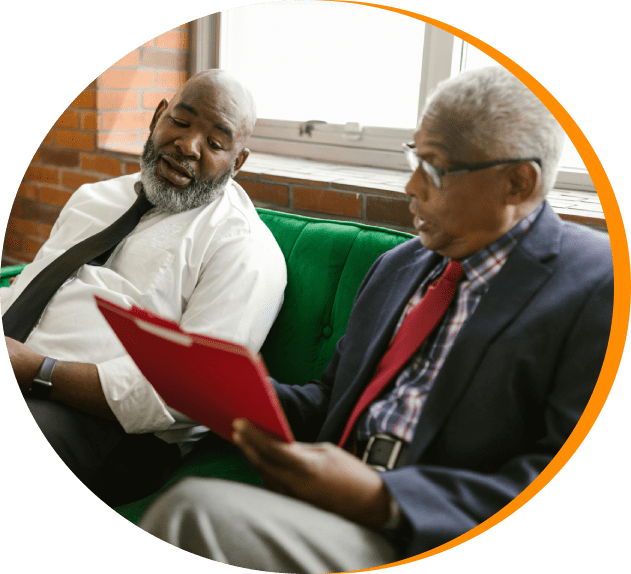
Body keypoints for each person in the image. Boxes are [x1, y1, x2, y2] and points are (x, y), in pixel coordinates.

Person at [138, 66, 613, 573]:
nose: (409, 187)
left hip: (429, 534)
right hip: (334, 510)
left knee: (192, 512)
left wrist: (384, 497)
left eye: (433, 169)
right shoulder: (399, 266)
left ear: (519, 181)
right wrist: (225, 390)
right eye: (414, 157)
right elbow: (331, 400)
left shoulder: (597, 285)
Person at [0, 70, 287, 506]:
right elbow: (30, 287)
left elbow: (189, 393)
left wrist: (38, 371)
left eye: (214, 143)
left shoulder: (243, 250)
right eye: (182, 121)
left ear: (238, 161)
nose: (188, 146)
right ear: (158, 117)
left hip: (109, 427)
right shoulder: (93, 197)